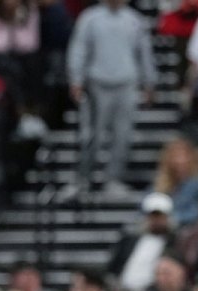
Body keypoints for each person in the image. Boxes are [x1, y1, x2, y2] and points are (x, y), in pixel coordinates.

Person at [64, 0, 158, 198]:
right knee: (91, 135)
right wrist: (76, 78)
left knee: (123, 135)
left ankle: (113, 179)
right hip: (97, 83)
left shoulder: (134, 20)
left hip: (126, 82)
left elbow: (144, 51)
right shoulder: (90, 18)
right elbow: (79, 48)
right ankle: (82, 179)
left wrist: (149, 81)